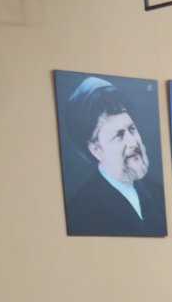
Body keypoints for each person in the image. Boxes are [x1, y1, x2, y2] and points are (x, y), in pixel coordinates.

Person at [60, 76, 165, 236]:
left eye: (132, 129)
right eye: (119, 135)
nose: (133, 142)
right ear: (96, 150)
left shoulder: (158, 193)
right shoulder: (82, 210)